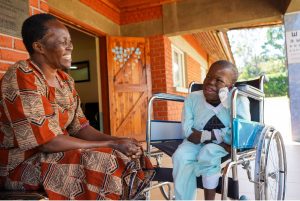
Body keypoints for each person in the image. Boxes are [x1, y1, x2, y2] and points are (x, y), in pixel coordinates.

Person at [0, 13, 154, 200]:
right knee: (104, 160)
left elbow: (80, 127)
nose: (70, 46)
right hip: (20, 166)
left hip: (55, 156)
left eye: (70, 41)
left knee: (128, 153)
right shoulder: (22, 75)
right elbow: (47, 142)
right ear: (39, 47)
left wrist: (120, 140)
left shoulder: (65, 81)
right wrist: (110, 143)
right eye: (63, 41)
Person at [172, 60, 251, 200]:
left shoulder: (238, 100)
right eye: (208, 77)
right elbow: (188, 132)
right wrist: (213, 136)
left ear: (230, 86)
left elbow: (241, 132)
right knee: (180, 156)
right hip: (199, 143)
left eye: (219, 80)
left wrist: (205, 135)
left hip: (225, 145)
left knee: (208, 152)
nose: (210, 82)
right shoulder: (192, 98)